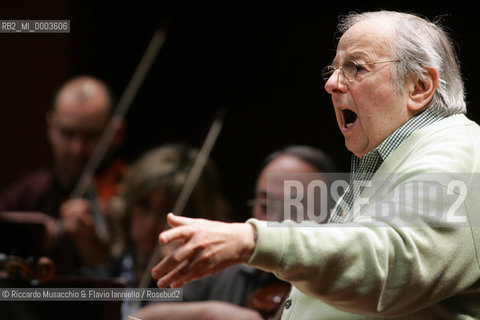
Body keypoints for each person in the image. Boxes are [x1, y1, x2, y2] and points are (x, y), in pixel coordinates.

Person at [150, 11, 480, 319]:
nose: (332, 83)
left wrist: (252, 240)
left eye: (357, 68)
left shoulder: (456, 152)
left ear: (419, 87)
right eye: (333, 69)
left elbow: (387, 265)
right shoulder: (395, 156)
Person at [130, 145, 336, 320]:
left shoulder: (335, 288)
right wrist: (208, 313)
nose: (274, 221)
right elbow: (140, 316)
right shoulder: (218, 261)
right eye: (265, 205)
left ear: (330, 215)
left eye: (294, 209)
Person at [0, 75, 126, 275]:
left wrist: (93, 250)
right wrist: (29, 240)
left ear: (116, 133)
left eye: (91, 136)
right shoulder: (33, 189)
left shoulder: (131, 195)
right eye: (68, 134)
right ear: (50, 127)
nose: (77, 149)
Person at [107, 143, 231, 318]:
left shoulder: (214, 284)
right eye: (144, 207)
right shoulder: (105, 271)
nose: (151, 224)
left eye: (167, 213)